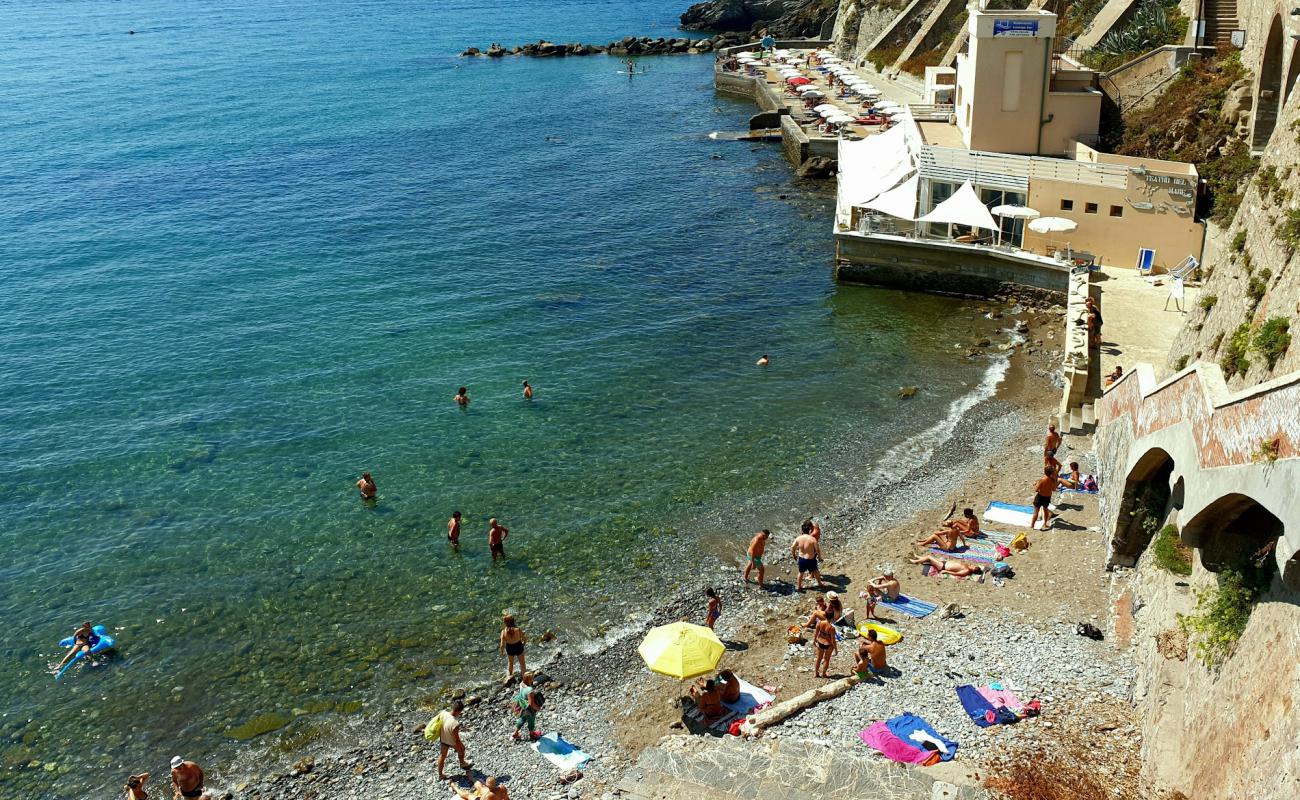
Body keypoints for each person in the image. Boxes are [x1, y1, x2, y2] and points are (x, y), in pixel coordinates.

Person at [433, 700, 471, 779]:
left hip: (443, 739)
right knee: (462, 749)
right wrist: (461, 745)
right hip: (451, 742)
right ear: (459, 711)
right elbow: (456, 739)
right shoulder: (455, 724)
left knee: (442, 756)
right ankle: (462, 763)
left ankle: (440, 775)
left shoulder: (443, 713)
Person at [512, 672, 544, 741]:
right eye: (532, 677)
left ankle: (515, 733)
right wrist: (538, 708)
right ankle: (532, 734)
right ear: (529, 679)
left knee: (522, 719)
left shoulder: (521, 684)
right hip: (528, 708)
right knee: (531, 720)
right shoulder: (530, 690)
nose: (533, 678)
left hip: (521, 705)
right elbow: (531, 703)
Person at [908, 552, 983, 578]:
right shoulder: (968, 567)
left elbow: (957, 574)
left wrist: (946, 571)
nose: (973, 565)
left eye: (974, 566)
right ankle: (918, 557)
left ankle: (915, 561)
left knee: (929, 557)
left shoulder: (967, 571)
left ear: (974, 569)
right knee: (929, 560)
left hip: (942, 566)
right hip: (944, 563)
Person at [499, 614, 527, 681]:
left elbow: (502, 644)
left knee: (510, 663)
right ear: (513, 621)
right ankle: (525, 677)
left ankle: (509, 677)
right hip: (518, 646)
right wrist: (523, 644)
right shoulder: (518, 630)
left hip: (510, 648)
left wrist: (502, 651)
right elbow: (524, 639)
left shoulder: (503, 632)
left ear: (505, 623)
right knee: (522, 663)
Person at [812, 610, 837, 678]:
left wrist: (814, 641)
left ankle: (816, 673)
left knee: (819, 659)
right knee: (826, 660)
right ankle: (824, 674)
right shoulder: (832, 628)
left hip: (820, 642)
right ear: (832, 618)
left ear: (825, 616)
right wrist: (835, 649)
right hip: (828, 644)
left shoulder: (819, 623)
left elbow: (816, 633)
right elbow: (833, 640)